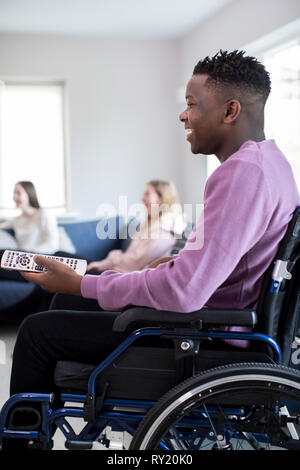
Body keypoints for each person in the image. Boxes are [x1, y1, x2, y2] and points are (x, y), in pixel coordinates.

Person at [9, 50, 300, 397]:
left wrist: (82, 284)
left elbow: (184, 290)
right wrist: (172, 266)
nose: (183, 114)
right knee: (65, 304)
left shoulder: (242, 173)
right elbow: (223, 265)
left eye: (192, 104)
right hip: (217, 322)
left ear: (230, 111)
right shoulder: (272, 163)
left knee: (36, 331)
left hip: (207, 337)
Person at [87, 180, 186, 273]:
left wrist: (108, 262)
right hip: (119, 271)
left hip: (123, 277)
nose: (142, 198)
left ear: (161, 198)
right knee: (75, 264)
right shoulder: (155, 224)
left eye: (147, 193)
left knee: (75, 267)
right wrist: (105, 263)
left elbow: (132, 265)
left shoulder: (165, 228)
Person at [0, 181, 59, 282]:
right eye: (14, 193)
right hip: (21, 259)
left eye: (18, 193)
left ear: (29, 193)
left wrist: (30, 254)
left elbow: (52, 245)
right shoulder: (16, 220)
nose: (14, 197)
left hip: (40, 259)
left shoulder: (43, 214)